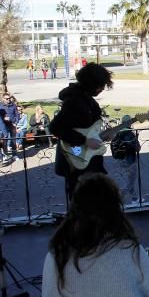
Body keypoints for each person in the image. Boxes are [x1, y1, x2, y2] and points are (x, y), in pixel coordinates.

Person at [49, 63, 114, 201]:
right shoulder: (74, 101)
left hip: (90, 161)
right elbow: (55, 127)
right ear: (91, 83)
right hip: (76, 159)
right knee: (82, 202)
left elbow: (89, 128)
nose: (102, 88)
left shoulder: (89, 101)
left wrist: (103, 135)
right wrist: (84, 141)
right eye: (100, 85)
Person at [110, 116, 142, 205]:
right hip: (130, 160)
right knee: (131, 182)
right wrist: (136, 138)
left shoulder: (118, 133)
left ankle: (135, 199)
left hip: (120, 159)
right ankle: (117, 197)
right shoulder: (130, 134)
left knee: (129, 180)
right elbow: (137, 148)